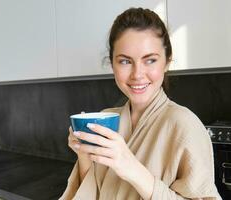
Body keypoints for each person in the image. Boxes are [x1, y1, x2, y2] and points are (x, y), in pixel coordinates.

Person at [60, 7, 221, 200]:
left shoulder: (185, 125)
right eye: (125, 61)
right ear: (112, 64)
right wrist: (84, 155)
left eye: (150, 60)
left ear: (167, 61)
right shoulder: (107, 119)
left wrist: (131, 167)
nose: (137, 74)